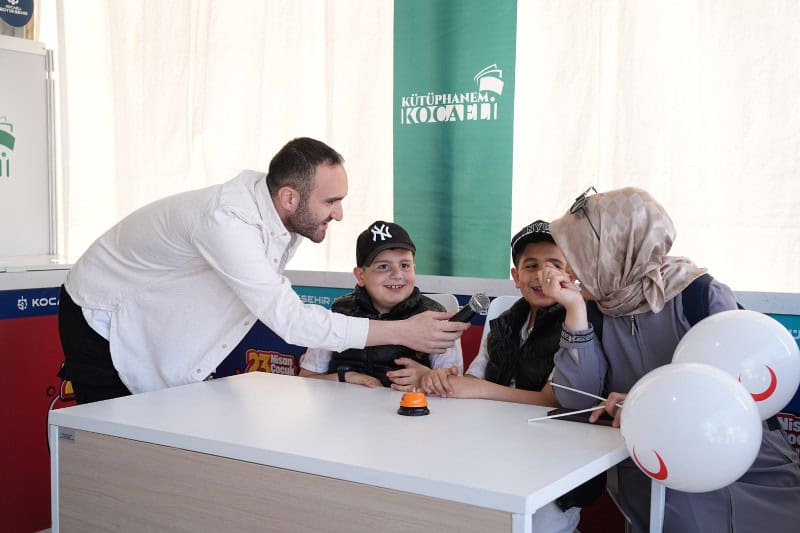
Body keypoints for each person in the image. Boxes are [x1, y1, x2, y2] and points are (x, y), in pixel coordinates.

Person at [57, 137, 468, 404]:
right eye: (331, 202)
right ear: (289, 197)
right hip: (101, 319)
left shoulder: (277, 210)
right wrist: (403, 332)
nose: (340, 214)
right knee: (119, 448)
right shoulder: (227, 221)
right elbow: (291, 321)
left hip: (151, 320)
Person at [543, 186, 800, 533]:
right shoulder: (595, 310)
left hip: (749, 467)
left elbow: (731, 394)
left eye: (579, 256)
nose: (571, 271)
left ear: (613, 251)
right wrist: (575, 311)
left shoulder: (699, 294)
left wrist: (644, 403)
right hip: (662, 476)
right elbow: (575, 400)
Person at [419, 220, 605, 533]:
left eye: (553, 265)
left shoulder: (578, 322)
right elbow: (474, 380)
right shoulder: (503, 323)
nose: (542, 275)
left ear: (571, 274)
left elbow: (556, 400)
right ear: (516, 277)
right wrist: (441, 378)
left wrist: (479, 390)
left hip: (554, 464)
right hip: (498, 452)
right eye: (531, 266)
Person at [299, 220, 463, 389]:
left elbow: (454, 386)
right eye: (383, 266)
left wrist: (424, 377)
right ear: (360, 275)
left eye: (405, 265)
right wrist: (345, 377)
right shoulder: (338, 314)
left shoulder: (435, 319)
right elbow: (306, 377)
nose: (397, 274)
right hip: (344, 405)